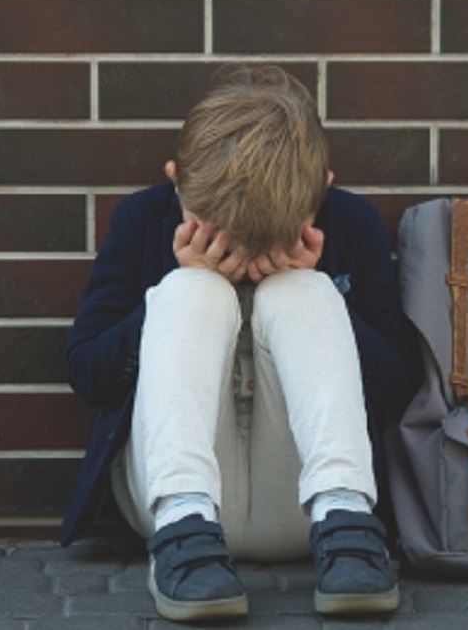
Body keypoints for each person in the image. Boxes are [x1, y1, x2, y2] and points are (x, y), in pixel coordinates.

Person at [60, 65, 422, 622]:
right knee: (188, 290)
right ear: (177, 182)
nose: (246, 255)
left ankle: (347, 518)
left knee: (303, 289)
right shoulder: (142, 217)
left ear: (321, 191)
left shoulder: (350, 221)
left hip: (305, 499)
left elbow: (399, 382)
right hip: (172, 497)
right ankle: (184, 524)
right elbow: (88, 372)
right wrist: (170, 293)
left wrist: (322, 292)